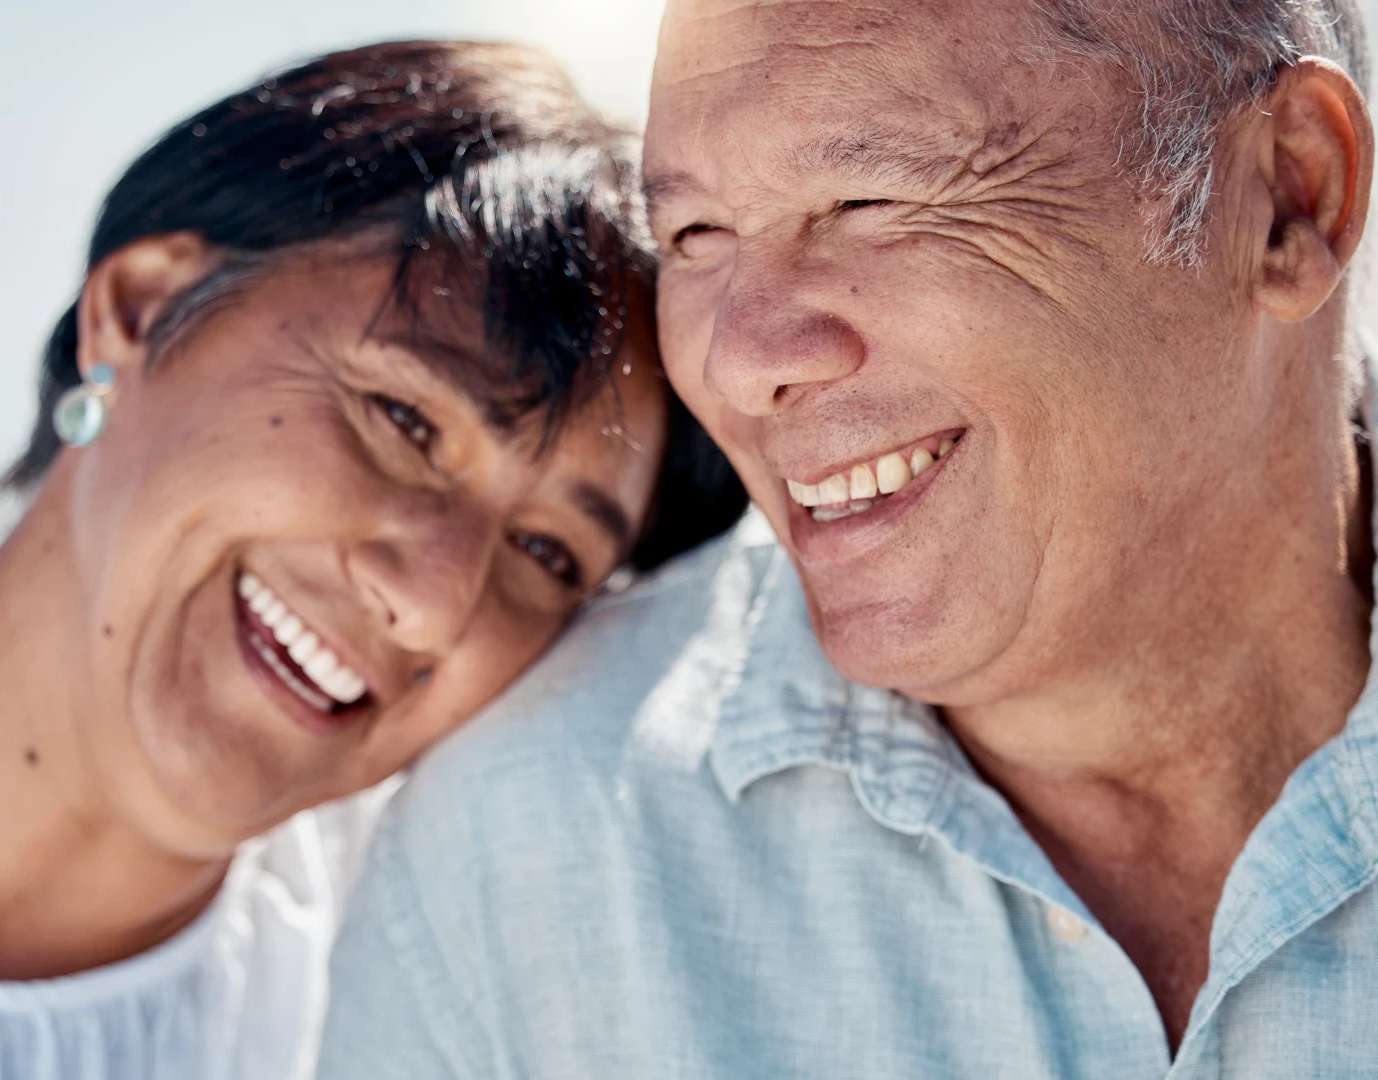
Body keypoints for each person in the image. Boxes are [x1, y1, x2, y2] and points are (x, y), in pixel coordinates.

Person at [319, 1, 1378, 1077]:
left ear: (1290, 198)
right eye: (694, 236)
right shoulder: (518, 856)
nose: (739, 363)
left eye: (874, 198)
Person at [0, 38, 746, 1080]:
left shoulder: (419, 1026)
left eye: (549, 552)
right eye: (405, 419)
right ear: (139, 309)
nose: (431, 601)